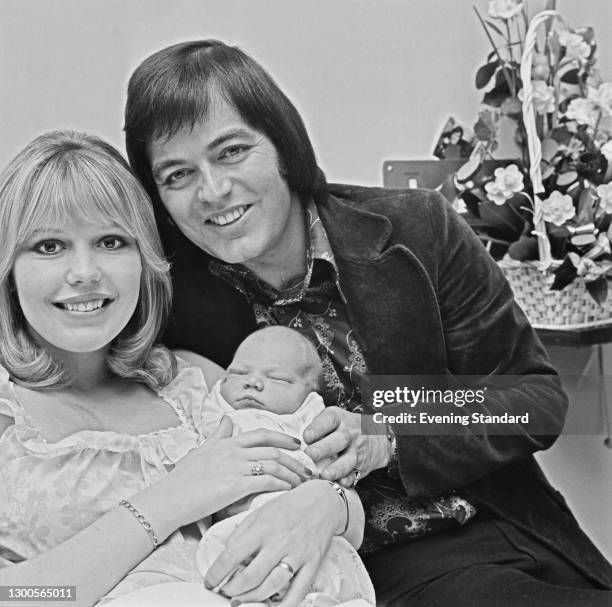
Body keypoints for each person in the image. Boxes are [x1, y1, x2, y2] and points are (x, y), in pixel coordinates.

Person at [124, 39, 612, 606]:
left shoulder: (415, 228)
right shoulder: (170, 290)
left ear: (283, 143)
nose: (212, 191)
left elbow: (536, 400)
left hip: (505, 520)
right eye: (177, 174)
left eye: (231, 151)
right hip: (371, 566)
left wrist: (389, 426)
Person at [0, 130, 365, 607]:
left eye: (111, 241)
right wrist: (172, 499)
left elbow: (315, 480)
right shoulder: (12, 419)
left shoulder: (193, 381)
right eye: (49, 246)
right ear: (9, 267)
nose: (85, 272)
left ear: (144, 261)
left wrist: (326, 506)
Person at [105, 326, 375, 606]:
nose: (253, 382)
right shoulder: (218, 413)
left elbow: (345, 468)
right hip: (240, 519)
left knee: (334, 568)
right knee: (230, 561)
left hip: (308, 510)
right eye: (237, 373)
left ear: (309, 396)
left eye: (278, 379)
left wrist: (382, 433)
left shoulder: (307, 420)